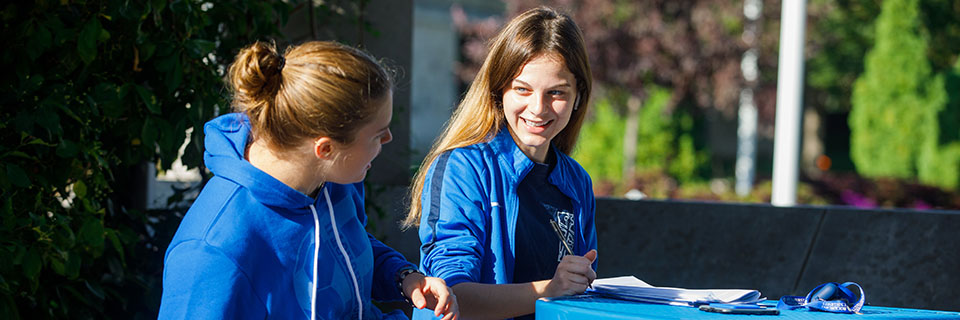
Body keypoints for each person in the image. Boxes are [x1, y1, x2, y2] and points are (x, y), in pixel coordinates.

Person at [159, 41, 458, 320]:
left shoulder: (333, 177)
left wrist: (403, 277)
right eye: (378, 134)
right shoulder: (211, 252)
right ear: (325, 148)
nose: (389, 139)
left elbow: (344, 248)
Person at [403, 7, 597, 320]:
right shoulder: (463, 168)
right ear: (499, 90)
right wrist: (550, 289)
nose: (538, 108)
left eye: (556, 93)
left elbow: (577, 298)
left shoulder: (576, 181)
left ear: (578, 97)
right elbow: (451, 296)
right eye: (522, 89)